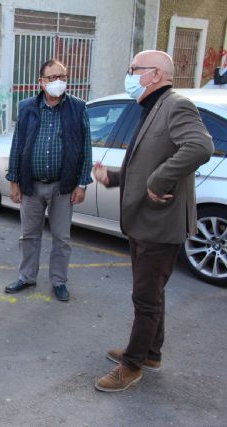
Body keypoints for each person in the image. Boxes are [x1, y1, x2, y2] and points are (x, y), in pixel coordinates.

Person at [92, 50, 213, 392]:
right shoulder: (151, 107)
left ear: (156, 74)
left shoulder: (176, 105)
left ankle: (131, 366)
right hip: (144, 220)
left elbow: (200, 146)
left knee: (146, 298)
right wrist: (113, 178)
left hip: (160, 223)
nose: (129, 75)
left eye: (134, 69)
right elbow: (146, 162)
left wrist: (159, 182)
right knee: (151, 294)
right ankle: (150, 352)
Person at [4, 59, 92, 302]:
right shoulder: (27, 107)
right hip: (31, 184)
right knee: (29, 235)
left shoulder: (77, 107)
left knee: (61, 238)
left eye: (62, 77)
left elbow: (86, 147)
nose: (58, 82)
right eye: (52, 78)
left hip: (62, 186)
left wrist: (82, 183)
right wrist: (14, 181)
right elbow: (17, 145)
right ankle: (26, 276)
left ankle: (58, 281)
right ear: (41, 82)